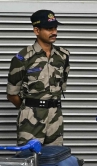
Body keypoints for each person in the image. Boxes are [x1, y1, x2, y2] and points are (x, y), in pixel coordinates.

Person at [7, 9, 70, 145]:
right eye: (49, 29)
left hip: (55, 117)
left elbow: (61, 86)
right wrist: (30, 108)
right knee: (30, 160)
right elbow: (12, 94)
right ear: (36, 31)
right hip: (30, 119)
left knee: (54, 159)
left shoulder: (63, 56)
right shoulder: (23, 57)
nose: (54, 32)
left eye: (55, 28)